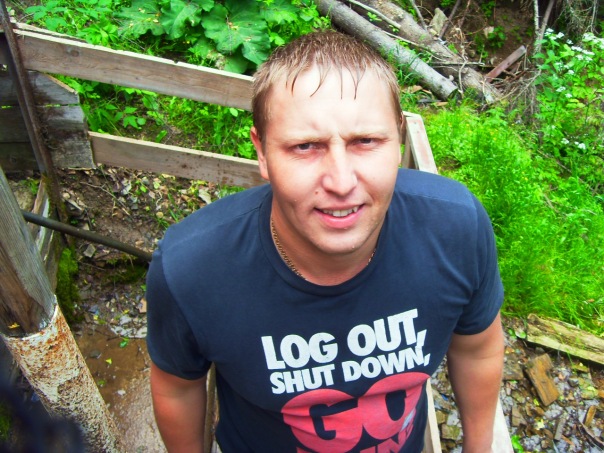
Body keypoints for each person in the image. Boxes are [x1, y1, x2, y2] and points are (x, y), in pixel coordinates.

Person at [146, 30, 505, 453]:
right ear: (262, 152)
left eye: (365, 141)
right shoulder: (192, 269)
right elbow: (177, 387)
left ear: (398, 142)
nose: (341, 182)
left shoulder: (455, 229)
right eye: (305, 146)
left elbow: (478, 349)